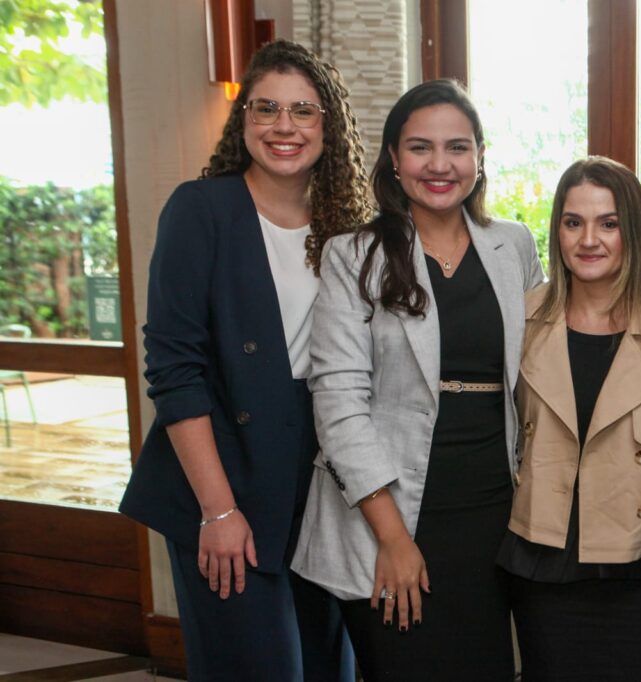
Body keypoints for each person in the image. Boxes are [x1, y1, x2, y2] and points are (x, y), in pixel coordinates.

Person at [119, 40, 372, 681]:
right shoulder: (201, 210)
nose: (283, 126)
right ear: (244, 121)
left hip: (316, 487)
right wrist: (219, 510)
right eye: (266, 108)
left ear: (328, 126)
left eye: (303, 111)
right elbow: (174, 370)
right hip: (222, 474)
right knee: (260, 670)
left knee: (326, 670)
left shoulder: (348, 227)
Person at [290, 79, 544, 682]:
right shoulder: (355, 255)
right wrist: (394, 538)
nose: (439, 164)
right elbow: (339, 405)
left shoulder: (514, 246)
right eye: (420, 147)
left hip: (491, 516)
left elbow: (539, 372)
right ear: (394, 160)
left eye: (457, 147)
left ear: (480, 159)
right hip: (391, 514)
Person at [495, 157, 641, 681]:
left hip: (640, 570)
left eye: (609, 223)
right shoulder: (520, 319)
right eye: (574, 222)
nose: (588, 239)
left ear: (634, 232)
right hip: (545, 564)